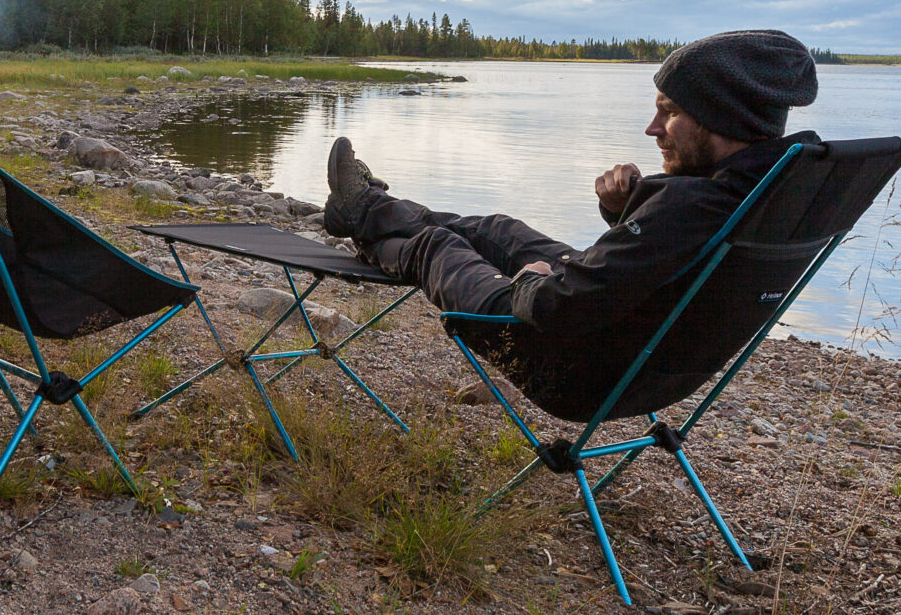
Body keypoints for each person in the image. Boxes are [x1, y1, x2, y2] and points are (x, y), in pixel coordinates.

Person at [321, 29, 820, 420]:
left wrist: (532, 281)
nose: (651, 129)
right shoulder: (774, 187)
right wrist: (629, 213)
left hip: (569, 363)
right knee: (498, 229)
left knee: (434, 246)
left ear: (722, 117)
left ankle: (362, 221)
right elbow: (673, 261)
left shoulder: (692, 204)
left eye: (668, 113)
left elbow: (557, 307)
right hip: (651, 366)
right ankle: (368, 206)